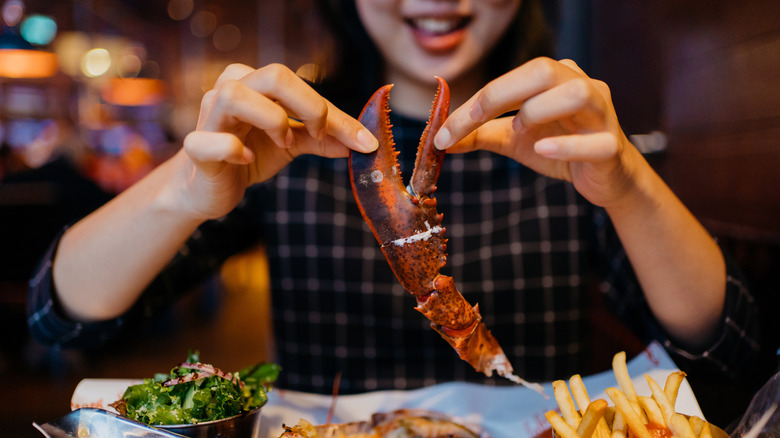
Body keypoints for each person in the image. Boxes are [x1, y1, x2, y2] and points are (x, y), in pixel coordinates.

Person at [28, 0, 760, 400]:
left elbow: (730, 350)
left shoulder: (571, 136)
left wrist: (628, 185)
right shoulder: (286, 145)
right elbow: (60, 319)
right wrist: (181, 195)